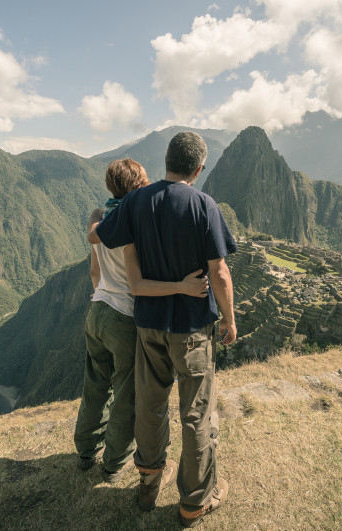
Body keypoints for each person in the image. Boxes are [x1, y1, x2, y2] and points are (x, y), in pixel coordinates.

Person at [89, 132, 237, 525]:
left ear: (167, 160)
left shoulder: (136, 200)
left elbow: (99, 236)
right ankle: (194, 500)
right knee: (196, 412)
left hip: (148, 326)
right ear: (199, 168)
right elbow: (219, 271)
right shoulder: (203, 204)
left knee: (151, 405)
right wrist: (229, 318)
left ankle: (149, 478)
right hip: (190, 328)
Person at [74, 158, 208, 483]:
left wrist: (102, 299)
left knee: (94, 385)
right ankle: (114, 461)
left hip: (98, 309)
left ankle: (85, 451)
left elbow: (95, 270)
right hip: (123, 316)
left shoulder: (103, 221)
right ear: (140, 184)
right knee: (125, 394)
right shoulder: (137, 222)